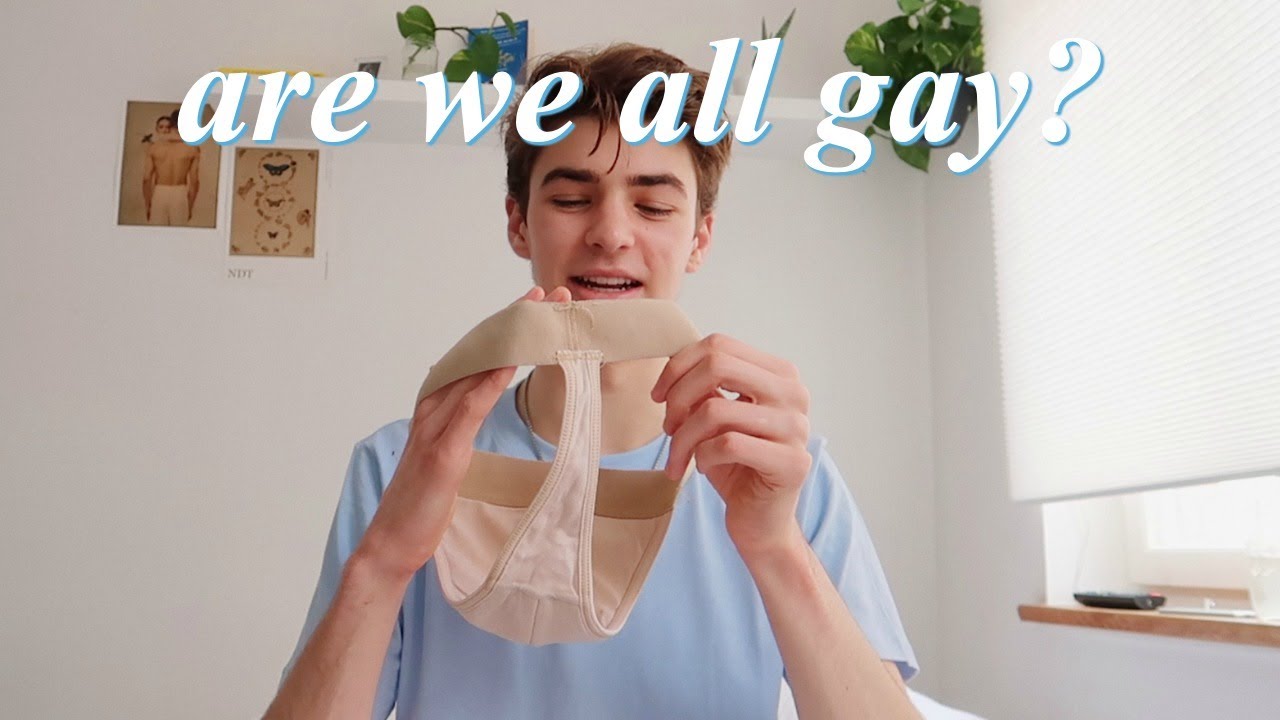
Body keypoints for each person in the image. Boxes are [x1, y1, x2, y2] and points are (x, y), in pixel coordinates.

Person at [265, 43, 920, 719]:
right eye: (573, 199)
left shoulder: (784, 473)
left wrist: (775, 545)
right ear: (519, 224)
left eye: (654, 206)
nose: (611, 234)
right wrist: (384, 561)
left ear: (700, 238)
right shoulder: (400, 466)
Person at [142, 112, 200, 225]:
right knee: (179, 232)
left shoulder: (154, 147)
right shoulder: (192, 148)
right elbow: (194, 181)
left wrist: (148, 205)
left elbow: (146, 179)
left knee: (157, 232)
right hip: (180, 193)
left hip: (160, 192)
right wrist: (190, 206)